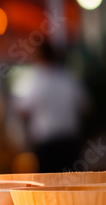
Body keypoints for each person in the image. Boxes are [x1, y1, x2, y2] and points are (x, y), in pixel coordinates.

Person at [15, 43, 88, 173]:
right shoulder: (68, 77)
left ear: (39, 57)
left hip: (46, 144)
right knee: (73, 185)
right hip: (70, 142)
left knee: (49, 188)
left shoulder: (36, 80)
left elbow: (22, 110)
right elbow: (85, 106)